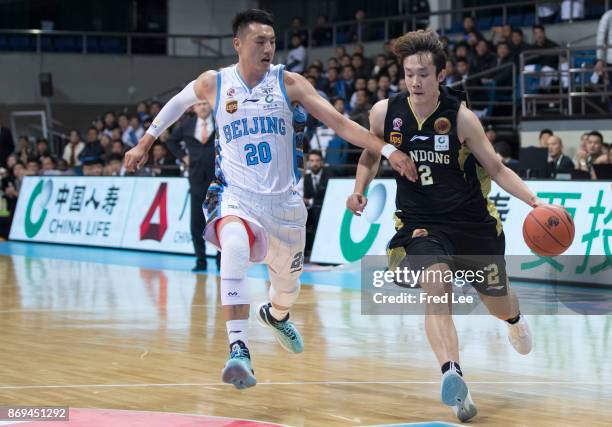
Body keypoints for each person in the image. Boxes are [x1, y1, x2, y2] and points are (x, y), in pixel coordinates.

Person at [124, 9, 414, 390]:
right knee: (234, 248)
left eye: (273, 42)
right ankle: (238, 349)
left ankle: (276, 316)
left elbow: (341, 124)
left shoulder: (289, 82)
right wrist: (146, 141)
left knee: (286, 290)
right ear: (238, 44)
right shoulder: (215, 83)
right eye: (260, 41)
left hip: (286, 205)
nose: (268, 48)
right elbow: (176, 104)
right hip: (236, 196)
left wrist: (390, 153)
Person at [346, 30, 546, 422]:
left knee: (498, 302)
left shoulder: (460, 117)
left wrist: (535, 202)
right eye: (408, 74)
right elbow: (370, 156)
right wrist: (359, 189)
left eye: (423, 74)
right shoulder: (384, 113)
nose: (415, 81)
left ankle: (514, 318)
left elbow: (497, 168)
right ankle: (452, 375)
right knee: (436, 281)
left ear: (440, 76)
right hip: (420, 225)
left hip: (472, 224)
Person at [165, 101, 219, 272]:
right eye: (199, 105)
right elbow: (171, 141)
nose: (202, 107)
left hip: (218, 177)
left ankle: (221, 260)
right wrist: (183, 157)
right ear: (193, 108)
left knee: (219, 220)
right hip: (196, 178)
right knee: (196, 221)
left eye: (205, 104)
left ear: (210, 105)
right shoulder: (186, 125)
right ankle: (200, 260)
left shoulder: (220, 121)